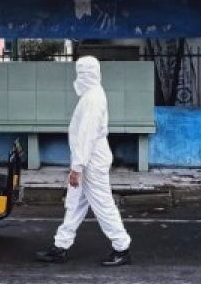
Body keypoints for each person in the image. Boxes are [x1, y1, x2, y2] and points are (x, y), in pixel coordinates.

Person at [36, 56, 132, 266]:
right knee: (75, 205)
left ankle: (121, 247)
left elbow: (86, 135)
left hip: (91, 162)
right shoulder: (92, 95)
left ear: (88, 74)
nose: (78, 78)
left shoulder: (92, 99)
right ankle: (60, 246)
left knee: (103, 204)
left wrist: (77, 168)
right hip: (89, 159)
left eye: (81, 73)